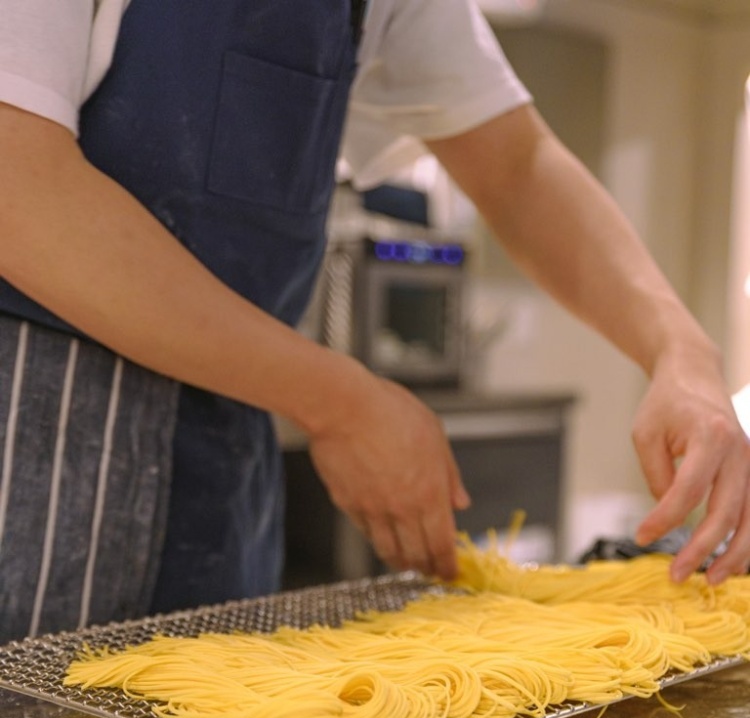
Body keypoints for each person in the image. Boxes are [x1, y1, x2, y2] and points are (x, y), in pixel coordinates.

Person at [0, 0, 748, 643]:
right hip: (25, 447)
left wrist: (681, 351)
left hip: (220, 465)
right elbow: (19, 186)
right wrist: (336, 398)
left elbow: (516, 164)